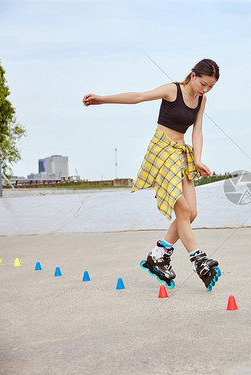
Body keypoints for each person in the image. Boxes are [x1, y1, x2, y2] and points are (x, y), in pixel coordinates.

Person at [82, 58, 222, 291]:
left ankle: (159, 254)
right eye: (204, 84)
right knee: (183, 210)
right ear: (194, 76)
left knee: (192, 213)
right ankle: (197, 259)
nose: (205, 90)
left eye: (211, 87)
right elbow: (138, 97)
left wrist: (197, 159)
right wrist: (102, 99)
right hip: (162, 150)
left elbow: (198, 129)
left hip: (180, 153)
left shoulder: (201, 100)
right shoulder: (172, 90)